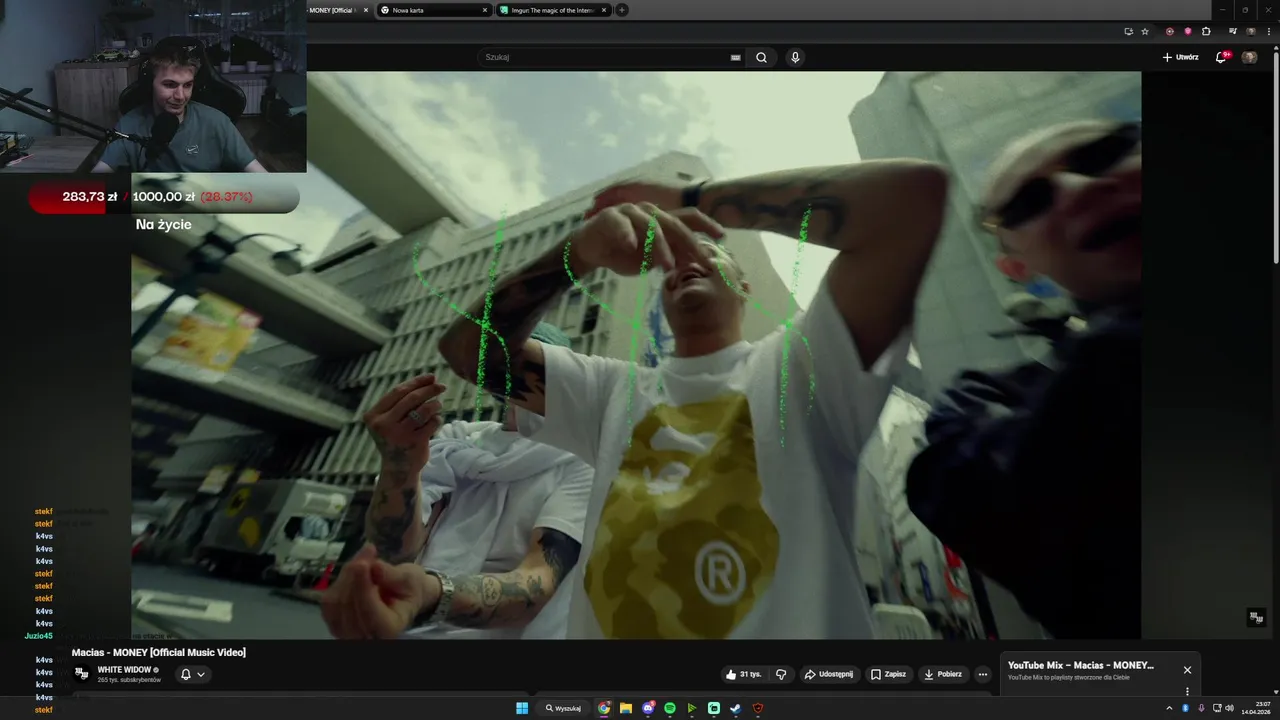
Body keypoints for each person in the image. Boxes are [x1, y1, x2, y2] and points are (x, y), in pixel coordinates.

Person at [323, 160, 949, 640]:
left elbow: (912, 197)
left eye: (708, 251)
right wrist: (575, 255)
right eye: (673, 258)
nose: (687, 261)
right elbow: (467, 351)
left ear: (745, 284)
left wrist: (690, 201)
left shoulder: (804, 370)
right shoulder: (612, 393)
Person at [905, 120, 1141, 639]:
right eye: (1029, 202)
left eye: (1103, 155)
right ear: (1016, 267)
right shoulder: (986, 405)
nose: (1080, 188)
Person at [321, 323, 594, 640]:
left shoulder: (580, 459)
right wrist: (399, 464)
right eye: (504, 362)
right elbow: (396, 552)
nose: (517, 375)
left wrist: (431, 595)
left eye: (534, 364)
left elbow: (538, 580)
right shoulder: (458, 440)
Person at [93, 42, 267, 173]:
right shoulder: (130, 124)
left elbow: (259, 174)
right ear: (150, 84)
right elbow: (97, 179)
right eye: (170, 85)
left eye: (187, 85)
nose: (181, 96)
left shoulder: (217, 122)